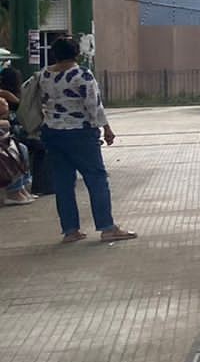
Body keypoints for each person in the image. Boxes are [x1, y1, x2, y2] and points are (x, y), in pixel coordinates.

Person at [38, 37, 135, 243]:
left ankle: (70, 230)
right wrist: (106, 128)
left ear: (54, 54)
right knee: (96, 178)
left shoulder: (45, 75)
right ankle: (107, 227)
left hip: (52, 133)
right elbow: (94, 105)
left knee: (63, 183)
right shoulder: (81, 74)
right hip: (79, 133)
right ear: (77, 53)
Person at [0, 67, 36, 204]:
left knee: (20, 147)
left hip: (7, 135)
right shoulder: (7, 94)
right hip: (7, 136)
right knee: (14, 149)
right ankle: (14, 190)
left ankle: (21, 186)